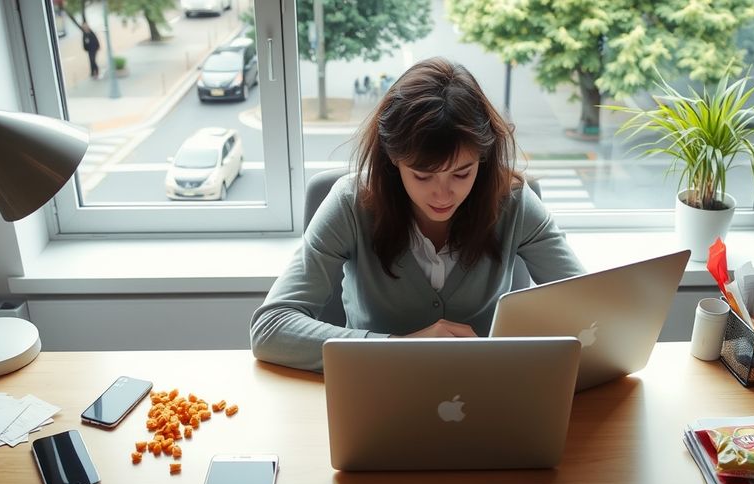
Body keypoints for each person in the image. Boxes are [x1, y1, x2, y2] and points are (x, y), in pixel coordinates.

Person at [250, 57, 585, 371]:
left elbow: (590, 307)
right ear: (394, 161)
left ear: (482, 161)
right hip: (375, 396)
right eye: (423, 176)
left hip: (487, 396)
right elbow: (270, 328)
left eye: (462, 173)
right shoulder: (352, 203)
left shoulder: (512, 202)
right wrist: (398, 347)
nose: (443, 194)